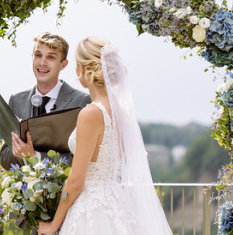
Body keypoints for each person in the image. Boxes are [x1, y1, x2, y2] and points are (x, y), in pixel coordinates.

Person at [37, 37, 172, 235]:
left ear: (83, 68)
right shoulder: (121, 112)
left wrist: (53, 225)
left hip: (92, 209)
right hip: (118, 202)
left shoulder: (91, 113)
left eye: (77, 65)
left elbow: (76, 181)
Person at [0, 32, 91, 170]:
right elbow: (4, 158)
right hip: (24, 190)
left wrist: (35, 156)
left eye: (51, 57)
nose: (42, 62)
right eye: (38, 55)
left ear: (63, 65)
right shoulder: (16, 100)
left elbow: (82, 160)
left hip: (64, 190)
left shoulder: (81, 101)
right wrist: (20, 154)